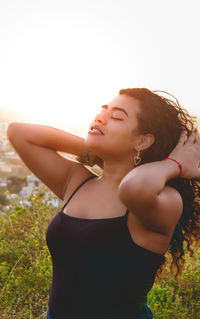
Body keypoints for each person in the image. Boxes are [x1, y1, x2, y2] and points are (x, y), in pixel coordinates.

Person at [7, 88, 200, 319]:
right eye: (102, 112)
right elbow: (18, 132)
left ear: (143, 141)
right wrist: (98, 150)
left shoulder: (164, 200)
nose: (99, 118)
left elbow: (132, 188)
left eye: (117, 117)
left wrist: (175, 164)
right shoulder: (77, 182)